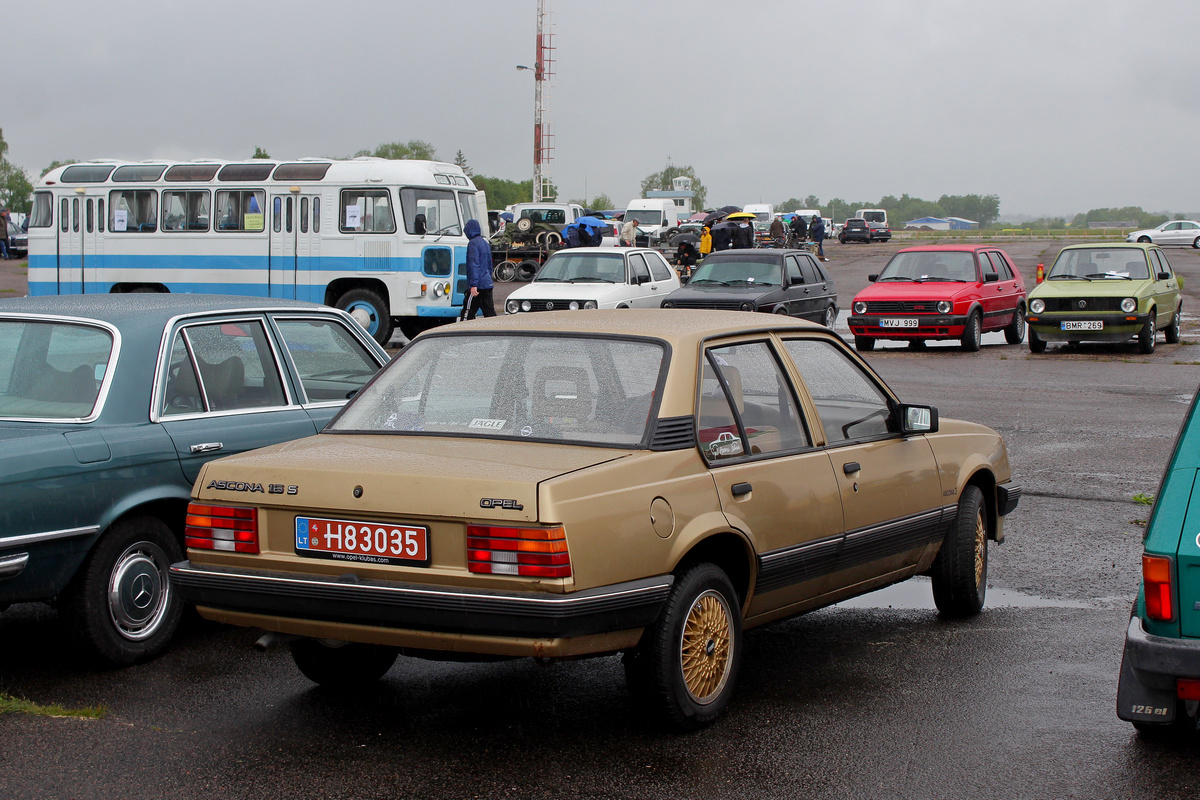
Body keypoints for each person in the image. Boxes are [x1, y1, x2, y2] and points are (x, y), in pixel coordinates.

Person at [463, 218, 495, 319]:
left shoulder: (473, 244)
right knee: (490, 313)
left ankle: (464, 331)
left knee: (467, 312)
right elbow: (489, 264)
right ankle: (496, 331)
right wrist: (488, 277)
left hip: (478, 286)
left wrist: (473, 285)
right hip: (487, 283)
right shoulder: (485, 242)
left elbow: (474, 264)